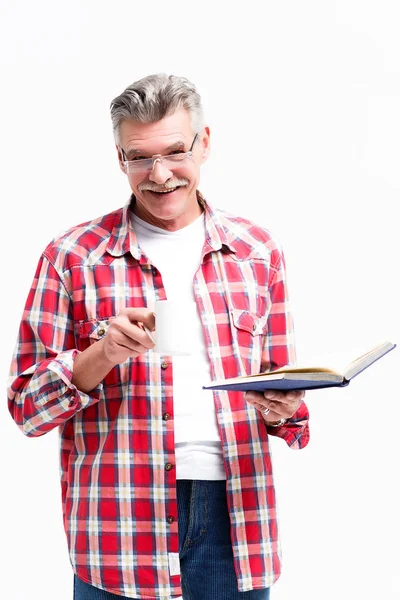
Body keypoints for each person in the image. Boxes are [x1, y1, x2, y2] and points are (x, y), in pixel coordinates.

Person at [8, 74, 310, 600]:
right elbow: (27, 409)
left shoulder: (257, 251)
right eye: (140, 157)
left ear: (205, 142)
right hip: (118, 519)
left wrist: (282, 408)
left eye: (175, 151)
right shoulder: (72, 256)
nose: (161, 174)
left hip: (235, 516)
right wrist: (101, 353)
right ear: (119, 158)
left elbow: (287, 403)